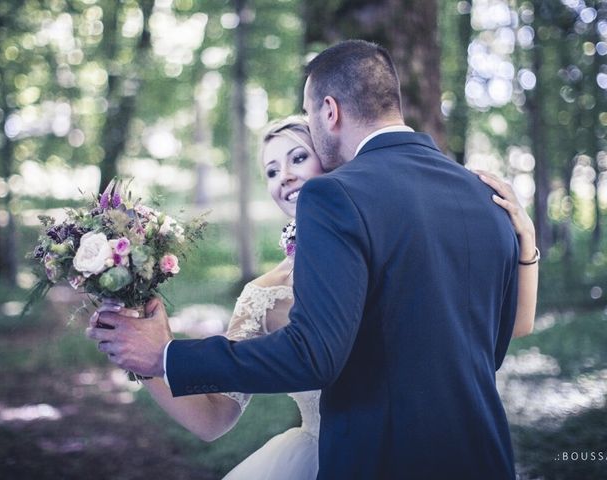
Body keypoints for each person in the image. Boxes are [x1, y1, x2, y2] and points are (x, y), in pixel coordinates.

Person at [88, 40, 540, 479]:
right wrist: (147, 356)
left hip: (382, 461)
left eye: (305, 121)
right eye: (271, 169)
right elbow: (497, 338)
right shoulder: (487, 195)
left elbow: (315, 354)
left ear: (329, 110)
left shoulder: (334, 195)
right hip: (485, 457)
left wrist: (166, 355)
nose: (285, 176)